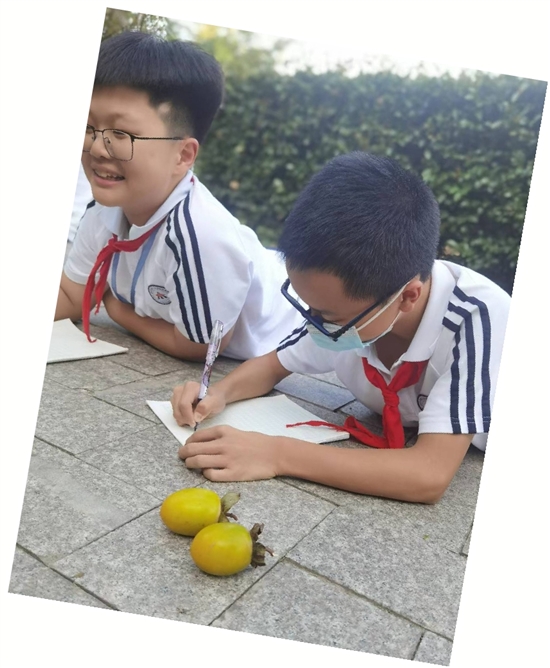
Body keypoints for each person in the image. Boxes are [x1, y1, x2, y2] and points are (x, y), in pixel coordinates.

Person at [171, 152, 511, 504]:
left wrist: (277, 454)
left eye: (326, 314)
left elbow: (428, 475)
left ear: (407, 296)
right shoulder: (352, 308)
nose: (313, 321)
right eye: (307, 306)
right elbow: (273, 364)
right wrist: (217, 394)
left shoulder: (476, 318)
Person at [56, 31, 303, 361]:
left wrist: (116, 309)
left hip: (302, 327)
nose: (98, 148)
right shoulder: (103, 211)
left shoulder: (200, 235)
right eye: (89, 128)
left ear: (183, 155)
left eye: (121, 134)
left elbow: (200, 345)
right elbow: (74, 296)